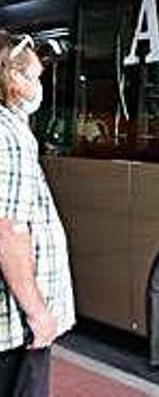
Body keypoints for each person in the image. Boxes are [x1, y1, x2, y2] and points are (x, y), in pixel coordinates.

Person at [0, 31, 76, 396]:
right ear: (12, 78)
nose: (39, 87)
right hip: (14, 325)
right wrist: (38, 313)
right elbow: (9, 232)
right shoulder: (10, 137)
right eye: (34, 76)